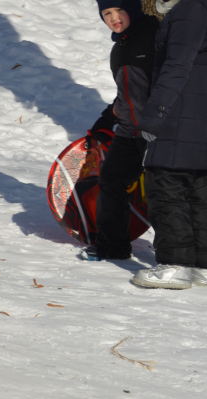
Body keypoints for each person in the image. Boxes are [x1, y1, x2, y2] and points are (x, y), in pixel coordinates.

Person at [130, 0, 207, 289]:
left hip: (182, 105)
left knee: (166, 184)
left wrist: (155, 112)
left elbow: (177, 63)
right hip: (199, 103)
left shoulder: (191, 8)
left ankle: (175, 264)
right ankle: (201, 264)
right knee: (196, 186)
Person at [80, 0, 157, 261]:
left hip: (156, 129)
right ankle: (113, 247)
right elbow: (126, 95)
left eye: (119, 10)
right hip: (130, 130)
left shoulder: (153, 36)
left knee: (162, 188)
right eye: (107, 13)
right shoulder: (120, 47)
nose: (114, 18)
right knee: (111, 180)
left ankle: (193, 243)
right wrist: (104, 121)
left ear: (133, 9)